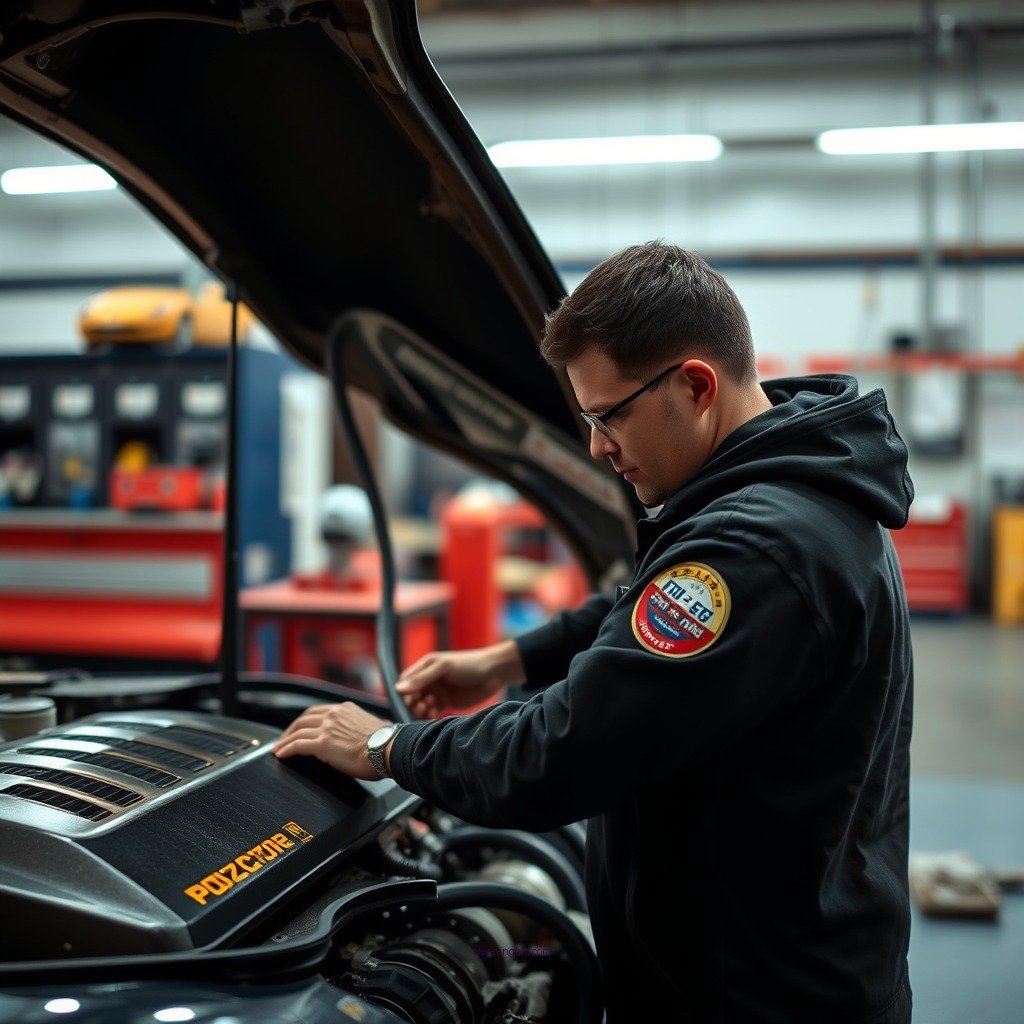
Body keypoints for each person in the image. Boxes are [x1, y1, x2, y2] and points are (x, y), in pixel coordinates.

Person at [274, 241, 914, 1024]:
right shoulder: (789, 485)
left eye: (610, 416)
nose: (597, 446)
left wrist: (386, 747)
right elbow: (643, 602)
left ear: (696, 385)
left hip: (755, 997)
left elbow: (563, 752)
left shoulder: (754, 546)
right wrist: (510, 658)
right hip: (792, 955)